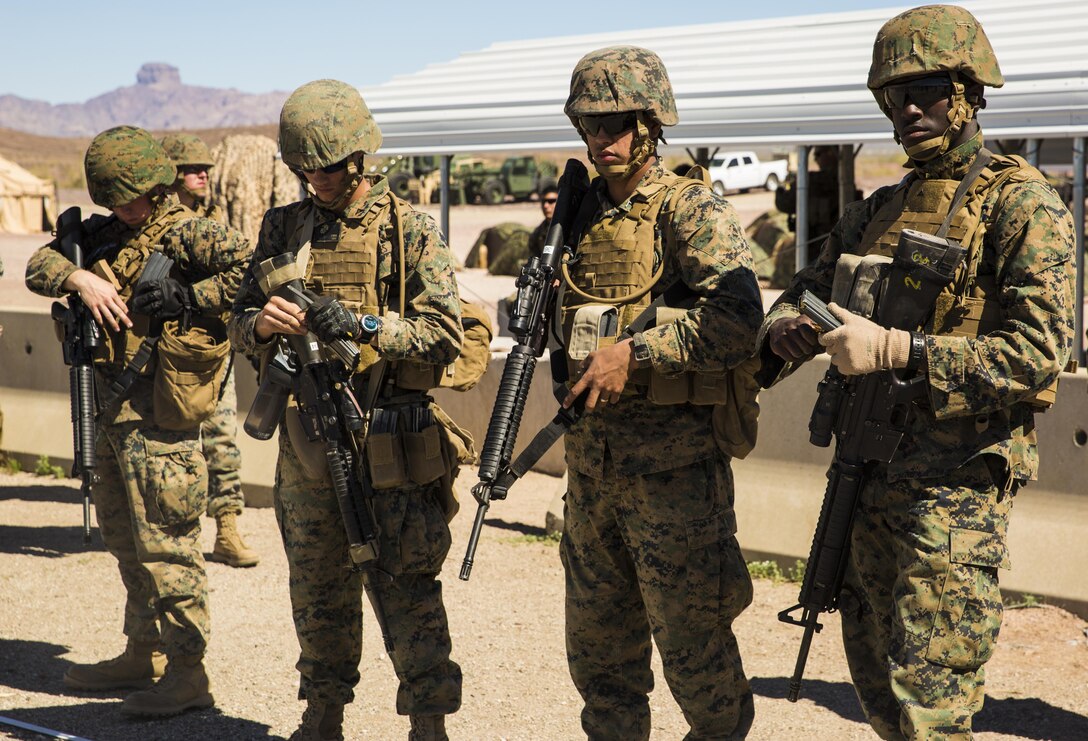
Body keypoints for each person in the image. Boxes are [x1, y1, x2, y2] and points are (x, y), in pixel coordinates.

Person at [762, 6, 1075, 738]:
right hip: (864, 478)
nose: (906, 108)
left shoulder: (1020, 202)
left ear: (967, 90)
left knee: (933, 713)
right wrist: (785, 329)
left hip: (951, 497)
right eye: (890, 95)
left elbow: (1038, 352)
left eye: (925, 89)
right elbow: (799, 290)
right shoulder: (879, 209)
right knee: (879, 697)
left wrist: (903, 351)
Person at [228, 79, 463, 741]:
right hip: (307, 439)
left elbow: (445, 334)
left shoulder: (408, 227)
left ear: (359, 157)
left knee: (407, 589)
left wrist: (363, 324)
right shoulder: (285, 226)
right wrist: (262, 323)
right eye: (302, 168)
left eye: (326, 167)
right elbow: (239, 320)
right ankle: (322, 715)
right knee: (318, 588)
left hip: (387, 438)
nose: (314, 180)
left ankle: (428, 723)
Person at [556, 46, 764, 739]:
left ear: (651, 125)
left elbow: (739, 319)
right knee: (602, 664)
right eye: (589, 125)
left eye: (616, 124)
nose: (600, 140)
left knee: (697, 662)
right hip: (592, 479)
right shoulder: (579, 216)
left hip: (674, 480)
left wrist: (636, 353)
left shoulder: (687, 207)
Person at [24, 125, 251, 716]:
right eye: (114, 198)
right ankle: (142, 652)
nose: (123, 208)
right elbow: (37, 265)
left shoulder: (189, 232)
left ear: (155, 184)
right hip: (112, 413)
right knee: (126, 543)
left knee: (170, 549)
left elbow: (257, 273)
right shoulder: (100, 237)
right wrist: (79, 276)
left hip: (162, 417)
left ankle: (188, 673)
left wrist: (188, 297)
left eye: (131, 196)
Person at [161, 132, 259, 568]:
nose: (202, 175)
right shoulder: (159, 226)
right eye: (191, 169)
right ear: (171, 176)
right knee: (171, 447)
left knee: (222, 440)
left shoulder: (217, 220)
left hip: (214, 348)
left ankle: (227, 529)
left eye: (205, 169)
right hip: (168, 352)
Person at [160, 133, 225, 223]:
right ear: (173, 172)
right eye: (194, 169)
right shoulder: (153, 219)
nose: (203, 175)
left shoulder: (210, 218)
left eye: (206, 169)